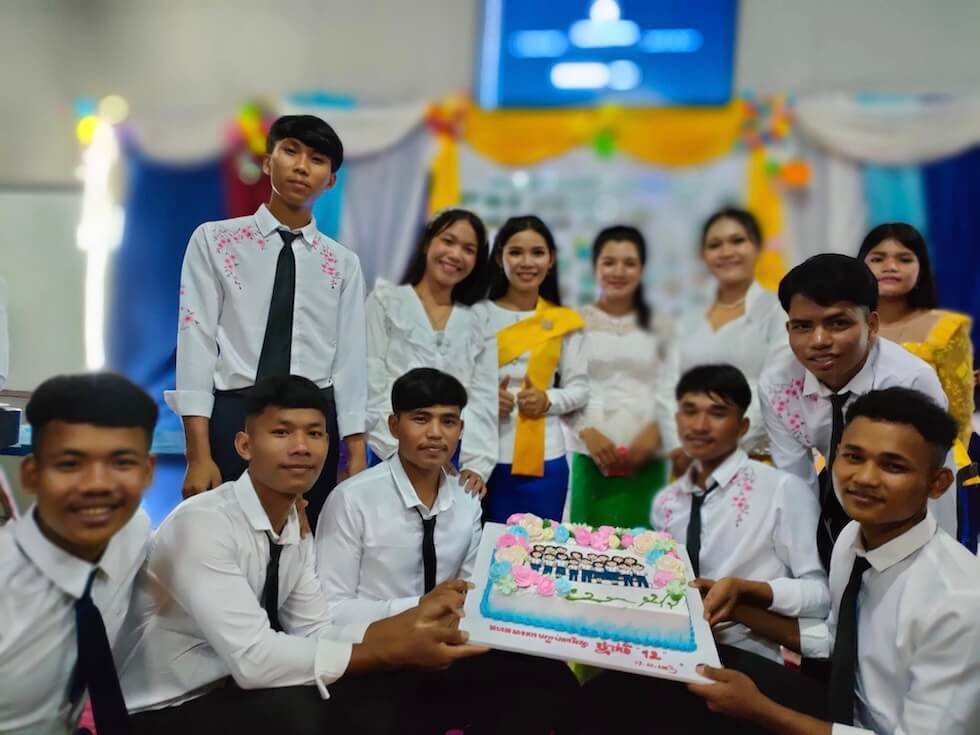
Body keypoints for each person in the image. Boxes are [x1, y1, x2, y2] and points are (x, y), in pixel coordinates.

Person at [121, 375, 486, 735]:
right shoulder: (203, 523)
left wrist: (415, 625)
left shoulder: (294, 523)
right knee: (302, 713)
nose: (301, 447)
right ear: (245, 445)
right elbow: (255, 660)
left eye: (314, 433)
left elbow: (316, 629)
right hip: (162, 707)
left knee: (378, 695)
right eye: (282, 433)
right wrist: (394, 648)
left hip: (229, 688)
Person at [686, 388, 980, 734]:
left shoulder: (959, 603)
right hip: (841, 712)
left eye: (892, 465)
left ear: (937, 483)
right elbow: (836, 641)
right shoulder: (853, 539)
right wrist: (740, 607)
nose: (865, 478)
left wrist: (762, 711)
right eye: (853, 457)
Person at [317, 367, 579, 734]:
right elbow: (329, 610)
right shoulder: (352, 500)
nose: (435, 434)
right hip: (379, 651)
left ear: (460, 429)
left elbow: (471, 590)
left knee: (551, 682)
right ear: (394, 426)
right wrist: (417, 609)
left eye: (448, 421)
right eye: (420, 419)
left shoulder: (466, 498)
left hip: (447, 648)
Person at [575, 364, 829, 734]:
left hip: (743, 659)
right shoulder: (667, 501)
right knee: (586, 702)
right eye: (690, 411)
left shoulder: (782, 490)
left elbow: (819, 594)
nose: (700, 425)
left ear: (742, 427)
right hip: (671, 656)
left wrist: (748, 592)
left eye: (717, 412)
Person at [165, 114, 368, 531]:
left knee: (301, 540)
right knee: (224, 537)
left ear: (330, 181)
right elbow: (196, 340)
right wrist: (197, 454)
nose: (301, 166)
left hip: (311, 423)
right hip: (234, 413)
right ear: (267, 161)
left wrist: (356, 452)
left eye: (317, 160)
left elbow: (350, 358)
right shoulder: (215, 240)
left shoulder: (343, 264)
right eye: (290, 151)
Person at [758, 254, 956, 569]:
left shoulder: (910, 381)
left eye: (838, 323)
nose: (819, 341)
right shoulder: (779, 381)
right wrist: (810, 568)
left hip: (896, 492)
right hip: (833, 487)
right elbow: (795, 481)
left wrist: (933, 563)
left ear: (872, 324)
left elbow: (927, 485)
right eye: (803, 326)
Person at [0, 373, 157, 735]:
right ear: (31, 474)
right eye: (70, 464)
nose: (97, 485)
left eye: (122, 463)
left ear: (147, 472)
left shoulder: (130, 530)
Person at [366, 209, 497, 496]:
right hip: (388, 449)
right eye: (448, 241)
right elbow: (370, 383)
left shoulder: (477, 319)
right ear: (427, 243)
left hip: (453, 459)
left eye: (468, 249)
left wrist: (477, 464)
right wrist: (397, 449)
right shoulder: (386, 302)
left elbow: (483, 399)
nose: (455, 254)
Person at [473, 215, 588, 523]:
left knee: (537, 556)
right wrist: (483, 400)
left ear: (551, 260)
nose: (527, 262)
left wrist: (548, 400)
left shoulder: (565, 321)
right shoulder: (475, 316)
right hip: (480, 459)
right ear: (499, 258)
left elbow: (580, 389)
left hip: (544, 462)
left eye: (537, 252)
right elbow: (454, 385)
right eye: (516, 252)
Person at [661, 208, 787, 474]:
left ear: (757, 246)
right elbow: (667, 388)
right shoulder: (688, 318)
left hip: (759, 461)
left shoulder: (778, 311)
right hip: (690, 467)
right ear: (703, 255)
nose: (726, 251)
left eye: (738, 241)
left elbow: (777, 389)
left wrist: (720, 449)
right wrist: (681, 448)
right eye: (715, 245)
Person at [569, 225, 672, 528]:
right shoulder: (575, 322)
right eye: (609, 262)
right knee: (585, 549)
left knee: (647, 553)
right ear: (595, 266)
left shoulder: (661, 324)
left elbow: (672, 385)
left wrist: (655, 433)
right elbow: (564, 386)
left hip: (648, 454)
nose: (619, 271)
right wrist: (587, 432)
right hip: (591, 453)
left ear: (642, 268)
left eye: (629, 263)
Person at [857, 222, 974, 448]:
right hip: (849, 449)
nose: (890, 266)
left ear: (922, 269)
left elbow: (959, 416)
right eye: (878, 259)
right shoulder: (842, 328)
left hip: (927, 455)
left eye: (904, 259)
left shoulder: (946, 328)